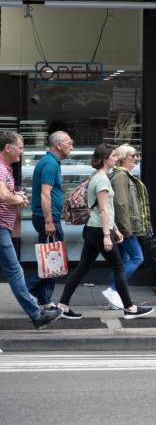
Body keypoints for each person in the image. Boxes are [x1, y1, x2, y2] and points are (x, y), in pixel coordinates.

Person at [56, 145, 154, 320]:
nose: (116, 158)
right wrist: (108, 235)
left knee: (83, 268)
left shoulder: (98, 177)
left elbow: (107, 209)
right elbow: (102, 209)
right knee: (118, 267)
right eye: (113, 156)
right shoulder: (102, 179)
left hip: (93, 229)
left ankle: (62, 305)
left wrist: (115, 228)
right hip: (100, 230)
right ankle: (130, 309)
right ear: (104, 159)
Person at [0, 131, 61, 328]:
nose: (22, 151)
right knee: (15, 270)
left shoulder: (6, 168)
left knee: (14, 270)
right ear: (8, 147)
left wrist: (16, 196)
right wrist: (17, 198)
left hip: (4, 227)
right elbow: (3, 196)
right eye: (20, 147)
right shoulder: (1, 168)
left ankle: (36, 310)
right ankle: (36, 314)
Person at [27, 129, 74, 308]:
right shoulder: (50, 163)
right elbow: (45, 194)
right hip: (47, 217)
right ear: (58, 144)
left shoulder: (51, 162)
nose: (72, 146)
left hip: (48, 217)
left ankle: (43, 299)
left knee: (52, 259)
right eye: (69, 143)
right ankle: (29, 293)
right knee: (54, 260)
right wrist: (49, 221)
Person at [102, 144, 151, 311]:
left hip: (121, 225)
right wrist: (125, 229)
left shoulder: (120, 175)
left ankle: (114, 299)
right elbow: (121, 203)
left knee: (121, 263)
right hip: (125, 226)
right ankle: (113, 290)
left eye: (136, 155)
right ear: (123, 158)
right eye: (132, 156)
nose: (136, 158)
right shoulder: (121, 177)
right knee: (137, 257)